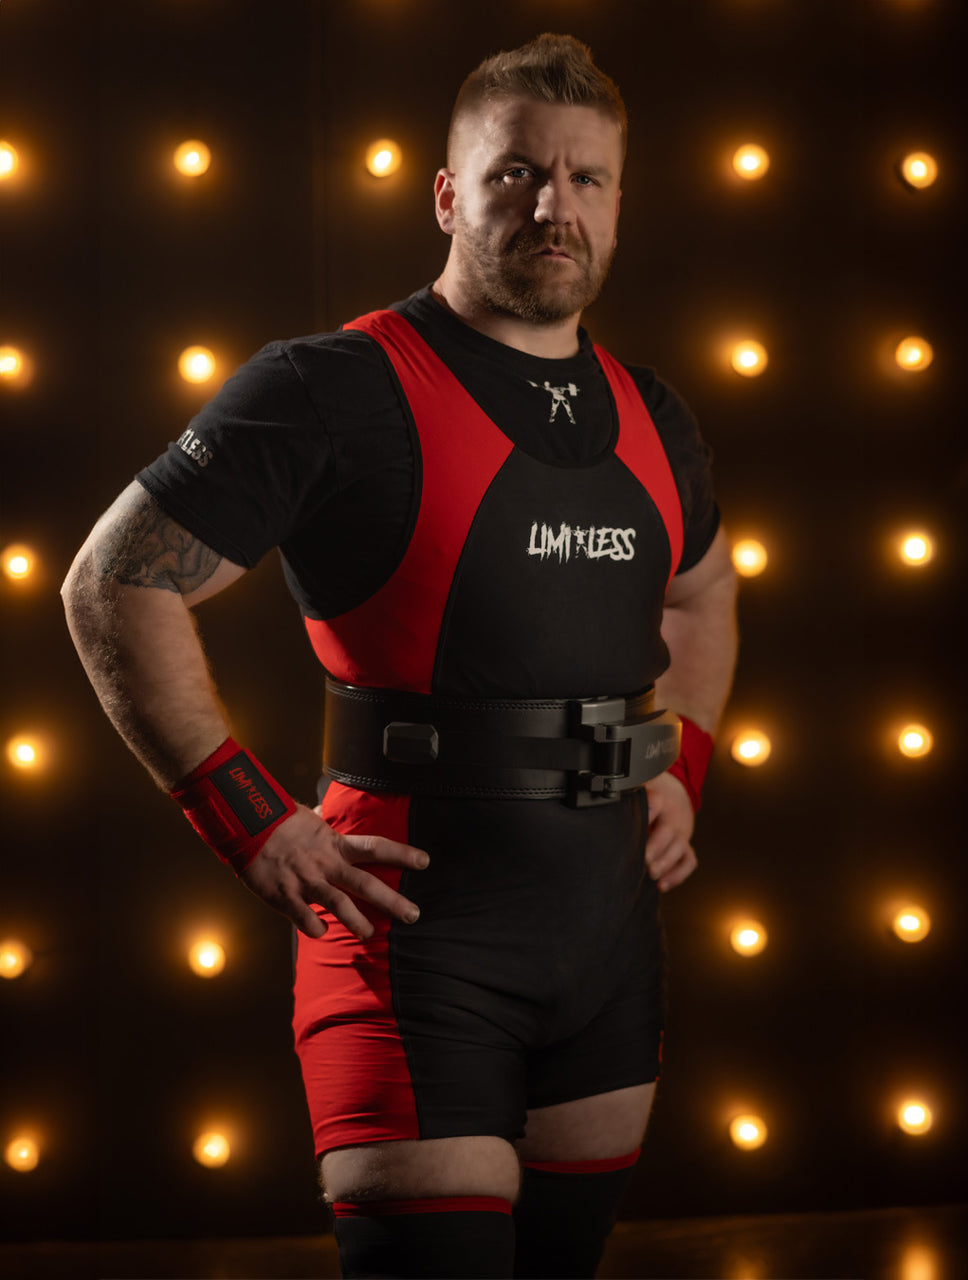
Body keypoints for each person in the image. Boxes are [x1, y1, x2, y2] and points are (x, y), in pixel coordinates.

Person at [62, 32, 738, 1280]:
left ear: (620, 201)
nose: (555, 205)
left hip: (605, 944)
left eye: (588, 178)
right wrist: (254, 822)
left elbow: (701, 593)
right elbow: (116, 581)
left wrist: (680, 760)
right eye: (516, 173)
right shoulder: (330, 385)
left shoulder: (655, 413)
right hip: (412, 939)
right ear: (446, 193)